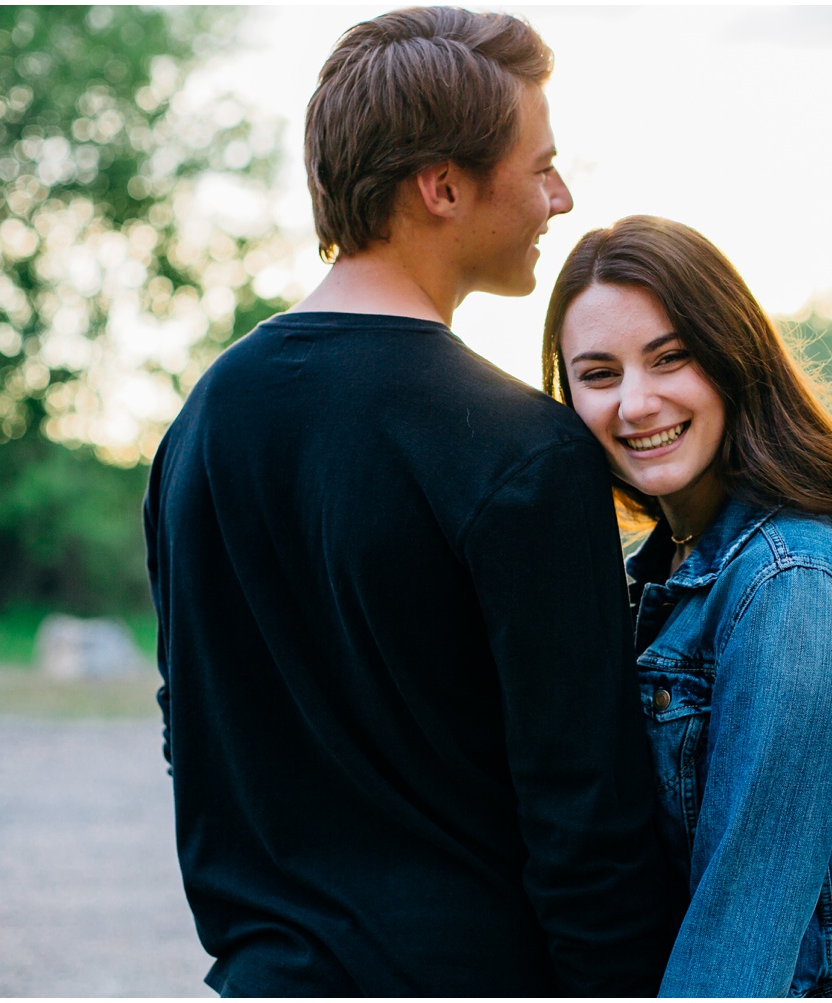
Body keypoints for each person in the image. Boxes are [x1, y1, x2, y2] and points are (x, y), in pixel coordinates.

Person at [143, 10, 670, 996]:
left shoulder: (200, 427)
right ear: (443, 187)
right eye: (541, 165)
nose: (562, 196)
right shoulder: (524, 452)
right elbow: (586, 813)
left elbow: (195, 732)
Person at [542, 215, 832, 998]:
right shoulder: (657, 576)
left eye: (669, 357)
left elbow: (747, 923)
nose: (636, 403)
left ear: (732, 357)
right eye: (599, 374)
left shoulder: (795, 584)